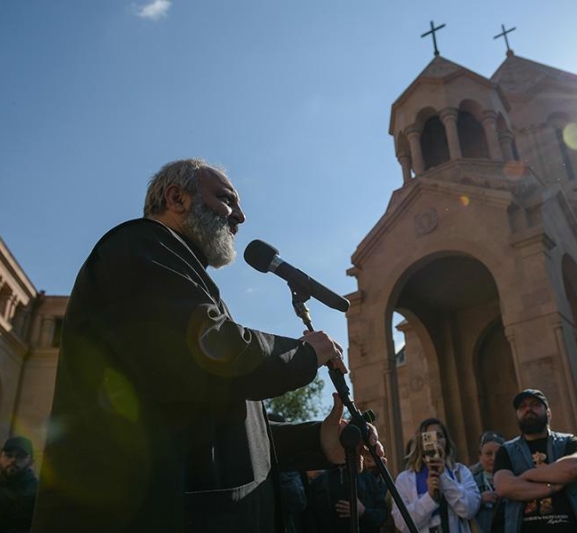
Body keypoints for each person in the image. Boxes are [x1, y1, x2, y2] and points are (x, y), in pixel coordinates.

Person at [31, 159, 380, 532]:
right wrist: (304, 354)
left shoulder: (179, 275)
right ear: (177, 198)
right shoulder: (138, 248)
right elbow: (216, 351)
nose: (241, 217)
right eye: (227, 199)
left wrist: (317, 441)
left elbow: (215, 424)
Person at [494, 388, 577, 533]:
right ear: (517, 415)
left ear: (548, 413)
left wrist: (525, 476)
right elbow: (504, 487)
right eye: (522, 406)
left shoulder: (569, 442)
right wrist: (553, 487)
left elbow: (574, 469)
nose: (528, 409)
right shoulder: (506, 450)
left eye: (535, 404)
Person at [392, 418, 480, 532]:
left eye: (440, 436)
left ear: (446, 441)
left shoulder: (461, 472)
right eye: (429, 436)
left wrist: (444, 477)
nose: (436, 441)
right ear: (421, 442)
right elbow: (402, 523)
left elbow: (469, 509)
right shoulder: (404, 479)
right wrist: (429, 498)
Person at [0, 436, 38, 533]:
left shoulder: (39, 493)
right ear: (0, 458)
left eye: (21, 456)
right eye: (8, 455)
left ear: (31, 462)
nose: (13, 460)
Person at [473, 431, 505, 533]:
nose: (494, 458)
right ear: (480, 456)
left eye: (498, 453)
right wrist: (479, 500)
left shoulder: (513, 478)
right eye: (488, 454)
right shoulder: (471, 482)